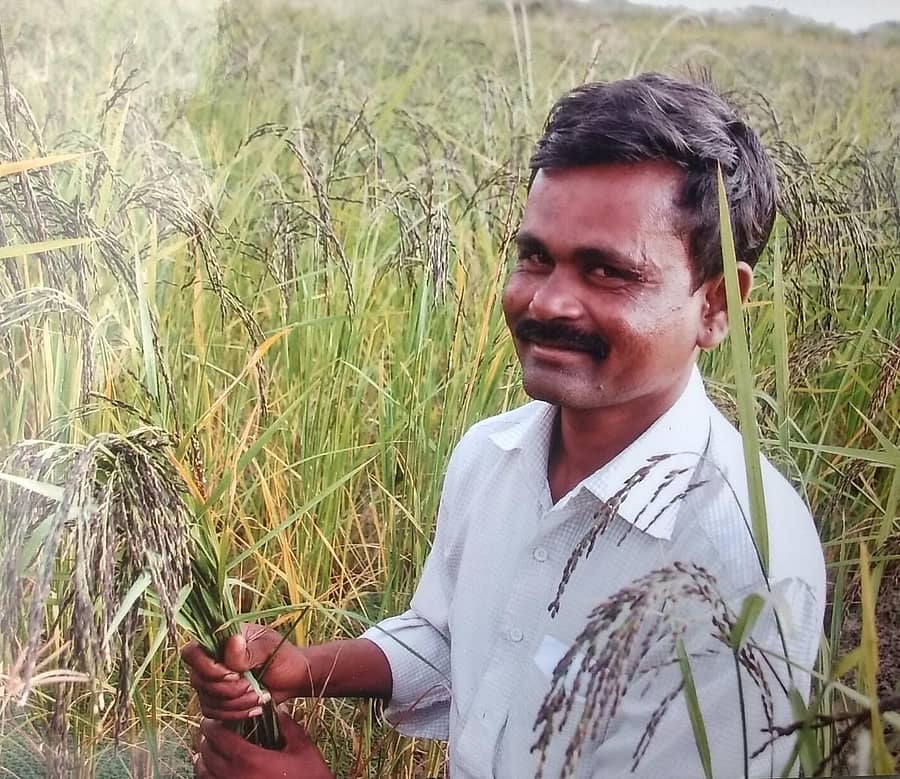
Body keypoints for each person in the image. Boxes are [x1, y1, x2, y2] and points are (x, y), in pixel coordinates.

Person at [183, 73, 826, 779]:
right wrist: (305, 666)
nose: (548, 301)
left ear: (716, 303)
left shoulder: (745, 563)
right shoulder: (491, 454)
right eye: (535, 256)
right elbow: (449, 638)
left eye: (607, 271)